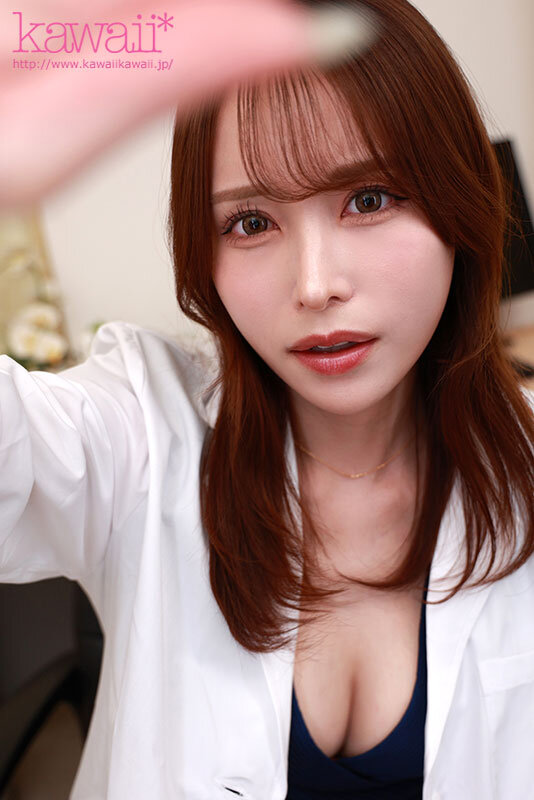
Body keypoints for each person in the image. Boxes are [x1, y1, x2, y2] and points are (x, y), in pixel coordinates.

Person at [0, 1, 533, 799]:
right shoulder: (142, 431)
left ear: (458, 200)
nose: (315, 286)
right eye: (250, 221)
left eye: (369, 198)